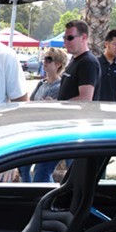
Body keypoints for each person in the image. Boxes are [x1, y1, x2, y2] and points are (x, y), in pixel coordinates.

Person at [19, 47, 67, 183]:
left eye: (49, 59)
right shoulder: (41, 83)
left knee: (42, 173)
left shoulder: (60, 86)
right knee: (23, 168)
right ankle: (26, 192)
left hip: (51, 137)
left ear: (58, 64)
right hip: (35, 134)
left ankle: (43, 195)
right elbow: (31, 103)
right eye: (44, 58)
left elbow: (56, 112)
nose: (44, 61)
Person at [58, 20, 100, 101]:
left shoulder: (88, 62)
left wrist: (61, 105)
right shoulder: (74, 60)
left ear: (83, 37)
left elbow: (85, 98)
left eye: (70, 38)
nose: (66, 42)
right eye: (64, 38)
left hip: (77, 110)